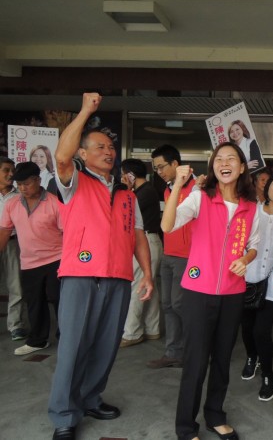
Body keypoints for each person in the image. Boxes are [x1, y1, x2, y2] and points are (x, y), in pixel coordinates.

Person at [48, 93, 154, 440]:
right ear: (83, 153)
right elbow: (61, 155)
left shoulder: (127, 193)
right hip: (80, 277)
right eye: (99, 147)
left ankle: (91, 398)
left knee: (106, 345)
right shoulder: (73, 182)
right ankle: (64, 412)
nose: (108, 152)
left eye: (111, 147)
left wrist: (147, 274)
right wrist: (85, 112)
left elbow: (137, 235)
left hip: (118, 279)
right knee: (73, 346)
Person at [161, 142, 259, 440]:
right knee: (196, 359)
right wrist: (179, 184)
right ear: (213, 166)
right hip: (198, 291)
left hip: (232, 292)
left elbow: (254, 244)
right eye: (219, 159)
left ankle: (215, 414)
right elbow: (167, 225)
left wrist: (245, 258)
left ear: (242, 167)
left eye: (232, 158)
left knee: (222, 356)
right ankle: (185, 426)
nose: (225, 162)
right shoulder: (200, 197)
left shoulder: (250, 206)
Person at [0, 162, 62, 356]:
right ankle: (37, 341)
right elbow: (4, 230)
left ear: (37, 180)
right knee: (35, 302)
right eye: (19, 185)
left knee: (59, 300)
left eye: (27, 183)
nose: (23, 188)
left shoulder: (54, 203)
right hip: (29, 262)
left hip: (56, 259)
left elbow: (68, 233)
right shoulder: (12, 204)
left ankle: (66, 337)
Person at [240, 174, 273, 402]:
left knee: (262, 331)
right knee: (247, 328)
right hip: (246, 278)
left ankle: (268, 375)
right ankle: (252, 357)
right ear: (268, 187)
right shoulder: (252, 210)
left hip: (272, 283)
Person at [148, 144, 197, 368]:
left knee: (180, 304)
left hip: (188, 256)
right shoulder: (169, 189)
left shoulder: (199, 187)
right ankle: (173, 352)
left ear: (175, 164)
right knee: (167, 304)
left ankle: (195, 350)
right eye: (155, 168)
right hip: (169, 253)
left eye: (161, 167)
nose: (159, 171)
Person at [119, 158, 164, 347]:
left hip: (146, 241)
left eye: (123, 174)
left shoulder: (143, 192)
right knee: (148, 286)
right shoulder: (145, 190)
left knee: (138, 287)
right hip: (150, 241)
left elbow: (127, 211)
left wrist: (126, 190)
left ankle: (132, 332)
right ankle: (152, 329)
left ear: (130, 175)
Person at [0, 157, 27, 342]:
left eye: (12, 171)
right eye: (6, 170)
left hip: (12, 243)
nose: (11, 174)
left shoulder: (20, 196)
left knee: (15, 285)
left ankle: (16, 325)